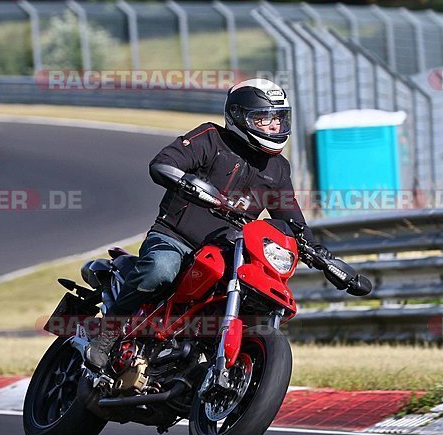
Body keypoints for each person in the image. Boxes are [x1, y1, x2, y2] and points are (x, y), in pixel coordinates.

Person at [85, 78, 333, 369]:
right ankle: (109, 332)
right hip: (175, 238)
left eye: (277, 119)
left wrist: (321, 254)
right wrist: (184, 181)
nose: (273, 127)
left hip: (228, 251)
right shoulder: (211, 138)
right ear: (239, 117)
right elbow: (163, 162)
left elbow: (292, 220)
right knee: (160, 270)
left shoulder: (277, 169)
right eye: (263, 119)